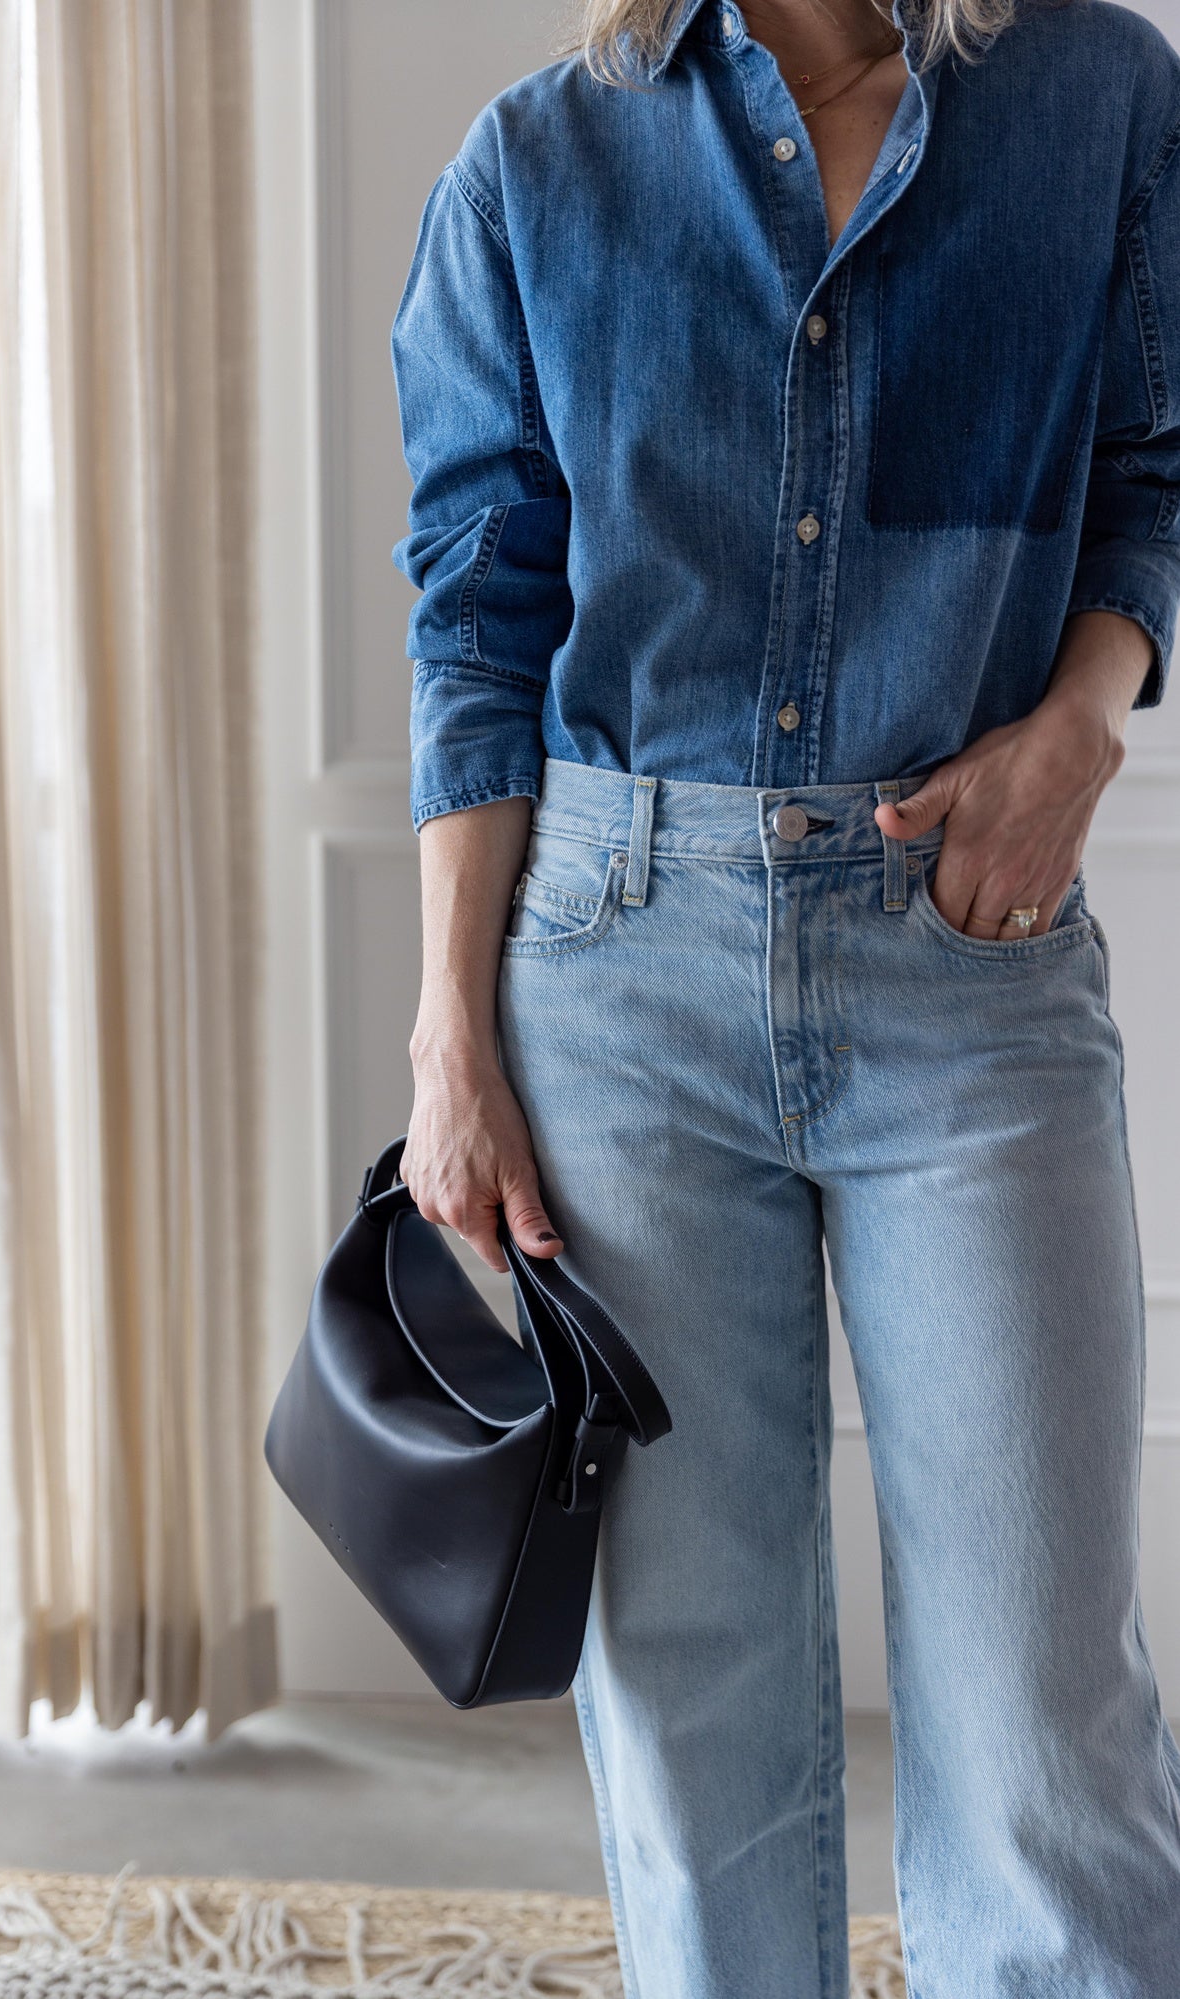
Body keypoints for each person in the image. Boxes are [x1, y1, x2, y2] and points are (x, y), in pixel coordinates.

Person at [387, 0, 1180, 1990]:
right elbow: (477, 611)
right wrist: (448, 1034)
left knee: (1038, 1728)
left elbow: (1152, 470)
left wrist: (1085, 723)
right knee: (691, 1721)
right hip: (613, 972)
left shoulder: (1095, 99)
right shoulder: (539, 163)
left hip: (968, 964)